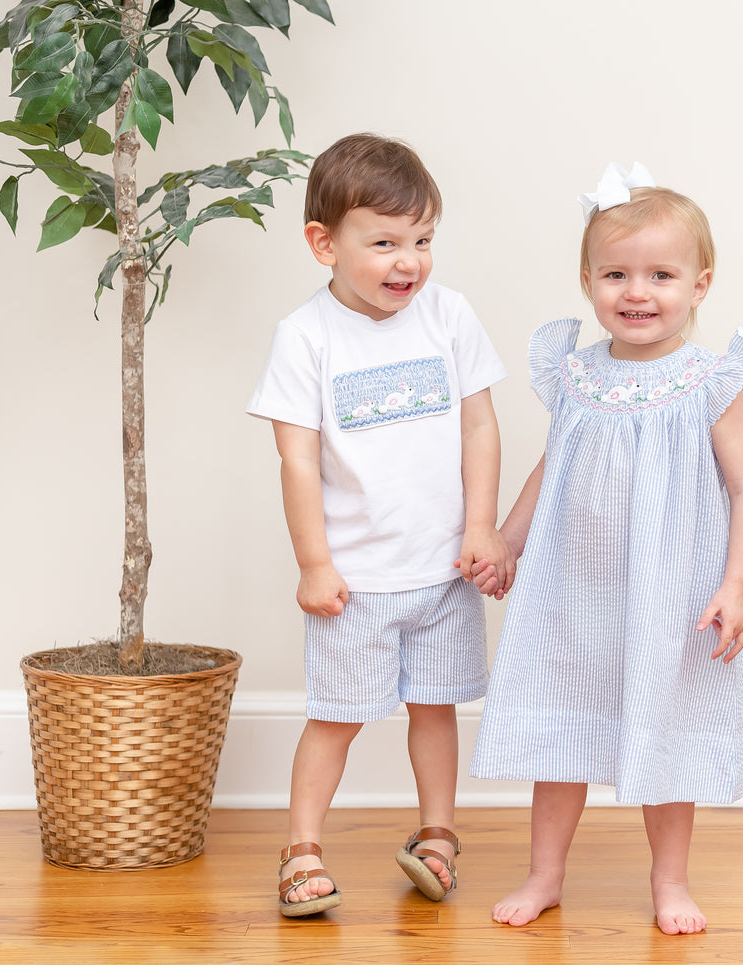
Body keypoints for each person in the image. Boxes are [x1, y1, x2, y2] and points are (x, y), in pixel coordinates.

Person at [468, 162, 743, 935]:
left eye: (660, 274)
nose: (637, 292)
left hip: (671, 589)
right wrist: (507, 538)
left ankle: (669, 881)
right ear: (587, 280)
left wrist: (735, 584)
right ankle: (546, 874)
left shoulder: (710, 380)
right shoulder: (575, 373)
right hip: (576, 587)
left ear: (699, 284)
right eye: (616, 274)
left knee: (663, 733)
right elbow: (554, 465)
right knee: (563, 736)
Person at [247, 133, 509, 917]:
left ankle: (438, 835)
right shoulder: (307, 337)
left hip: (441, 571)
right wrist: (314, 563)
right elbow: (297, 460)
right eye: (385, 242)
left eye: (423, 240)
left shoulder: (448, 315)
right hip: (355, 580)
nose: (409, 262)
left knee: (436, 709)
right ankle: (302, 849)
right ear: (323, 244)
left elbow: (479, 429)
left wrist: (483, 527)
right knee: (335, 718)